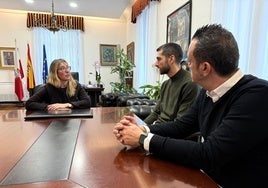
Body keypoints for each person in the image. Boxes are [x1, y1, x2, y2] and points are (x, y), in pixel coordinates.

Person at [113, 24, 268, 187]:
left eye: (190, 62)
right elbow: (182, 126)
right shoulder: (208, 91)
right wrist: (143, 129)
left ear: (205, 68)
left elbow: (210, 153)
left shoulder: (258, 96)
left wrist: (142, 139)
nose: (187, 66)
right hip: (207, 179)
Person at [143, 43, 198, 124]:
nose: (156, 64)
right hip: (158, 130)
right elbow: (155, 114)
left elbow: (180, 125)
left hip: (171, 134)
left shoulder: (190, 84)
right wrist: (140, 127)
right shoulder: (165, 84)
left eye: (159, 59)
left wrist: (148, 130)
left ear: (171, 59)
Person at [26, 59, 91, 111]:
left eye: (67, 67)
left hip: (73, 119)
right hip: (54, 119)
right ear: (55, 73)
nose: (67, 71)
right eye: (62, 68)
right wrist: (50, 107)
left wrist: (67, 105)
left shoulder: (75, 85)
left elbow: (87, 102)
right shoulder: (48, 87)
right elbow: (29, 103)